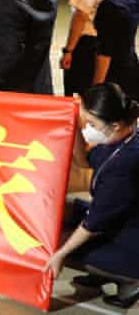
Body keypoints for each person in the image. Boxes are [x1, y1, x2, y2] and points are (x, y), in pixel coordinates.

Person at [45, 83, 139, 308]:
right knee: (57, 217)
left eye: (92, 124)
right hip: (117, 221)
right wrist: (74, 125)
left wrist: (60, 254)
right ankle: (103, 272)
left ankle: (130, 279)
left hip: (130, 240)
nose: (89, 128)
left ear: (114, 125)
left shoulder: (127, 163)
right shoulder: (121, 137)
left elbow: (93, 223)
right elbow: (84, 161)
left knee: (58, 241)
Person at [93, 0, 139, 100]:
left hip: (113, 74)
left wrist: (96, 89)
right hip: (131, 65)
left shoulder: (111, 5)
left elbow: (105, 51)